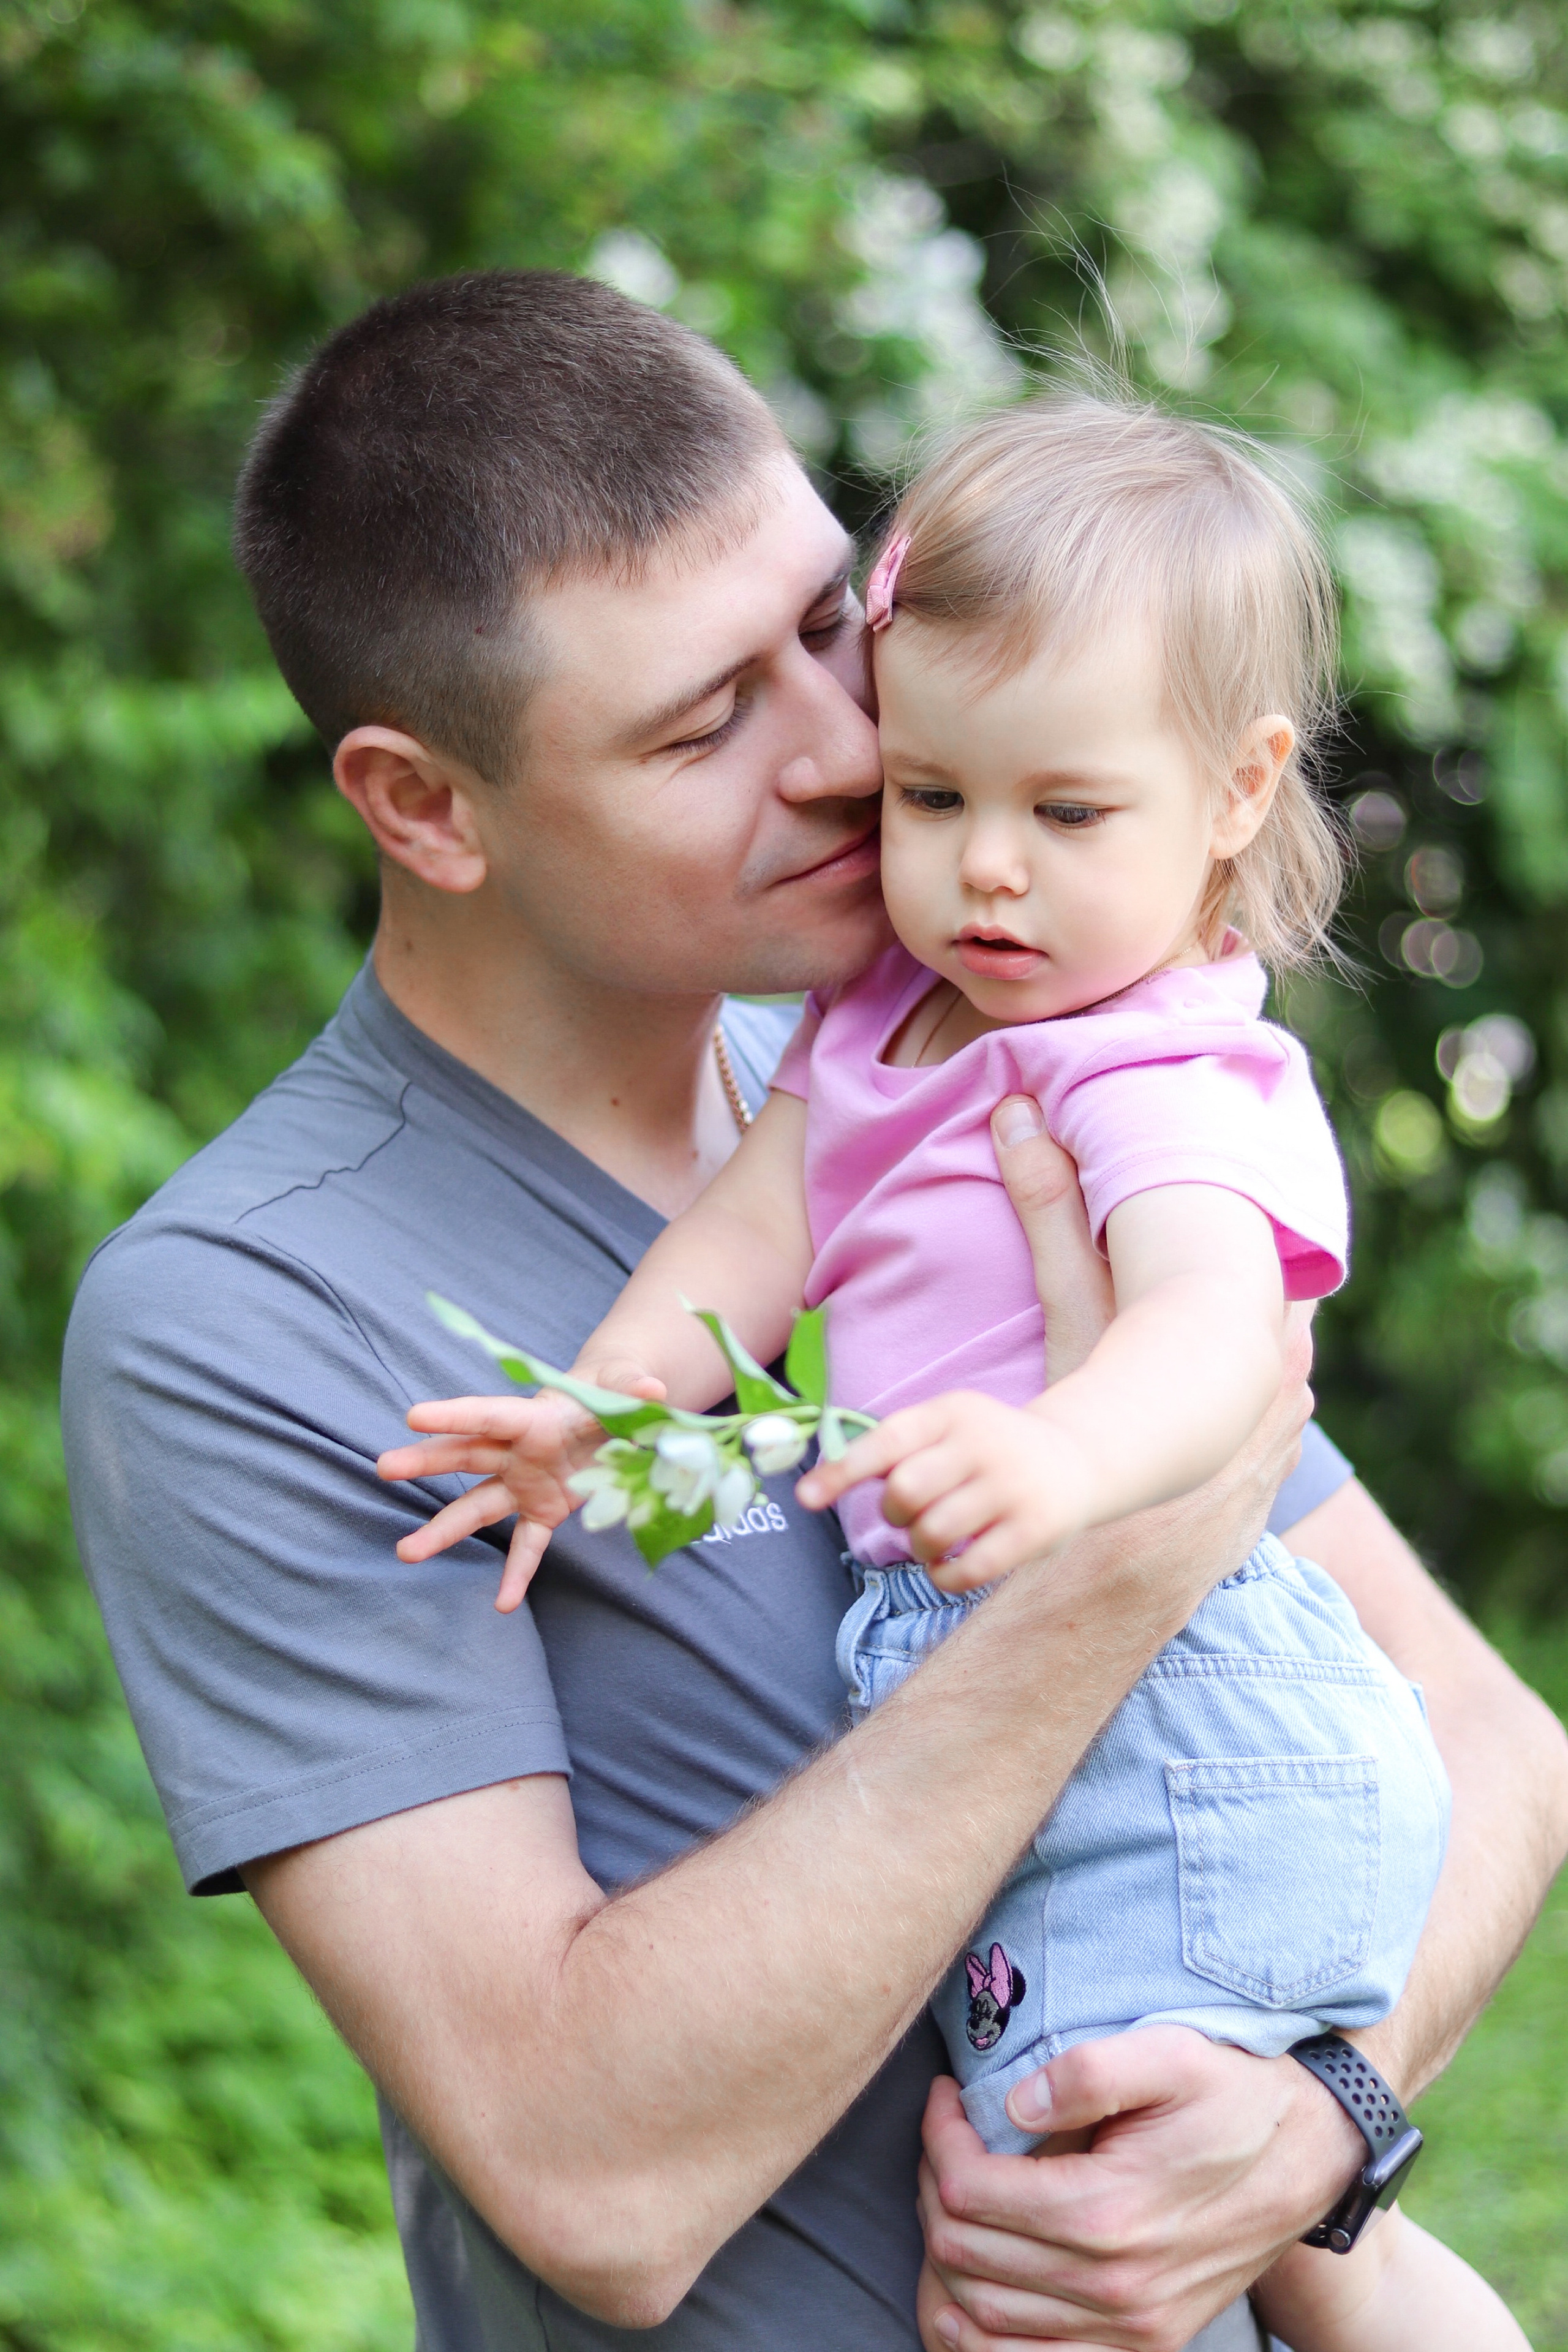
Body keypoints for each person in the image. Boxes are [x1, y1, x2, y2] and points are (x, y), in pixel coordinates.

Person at [59, 271, 1568, 2352]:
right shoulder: (248, 1317)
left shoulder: (971, 1045)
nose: (857, 751)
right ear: (423, 805)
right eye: (703, 724)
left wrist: (1318, 2123)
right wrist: (1104, 1566)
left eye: (826, 626)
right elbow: (594, 2179)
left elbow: (1491, 1734)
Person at [396, 391, 1513, 2352]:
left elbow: (1210, 1333)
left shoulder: (1158, 1066)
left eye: (1067, 815)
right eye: (933, 798)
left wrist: (1063, 1466)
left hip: (1184, 1708)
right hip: (1024, 1677)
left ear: (1237, 794)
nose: (985, 873)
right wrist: (598, 1406)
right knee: (1169, 2217)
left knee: (1063, 2215)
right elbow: (743, 1248)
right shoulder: (878, 1024)